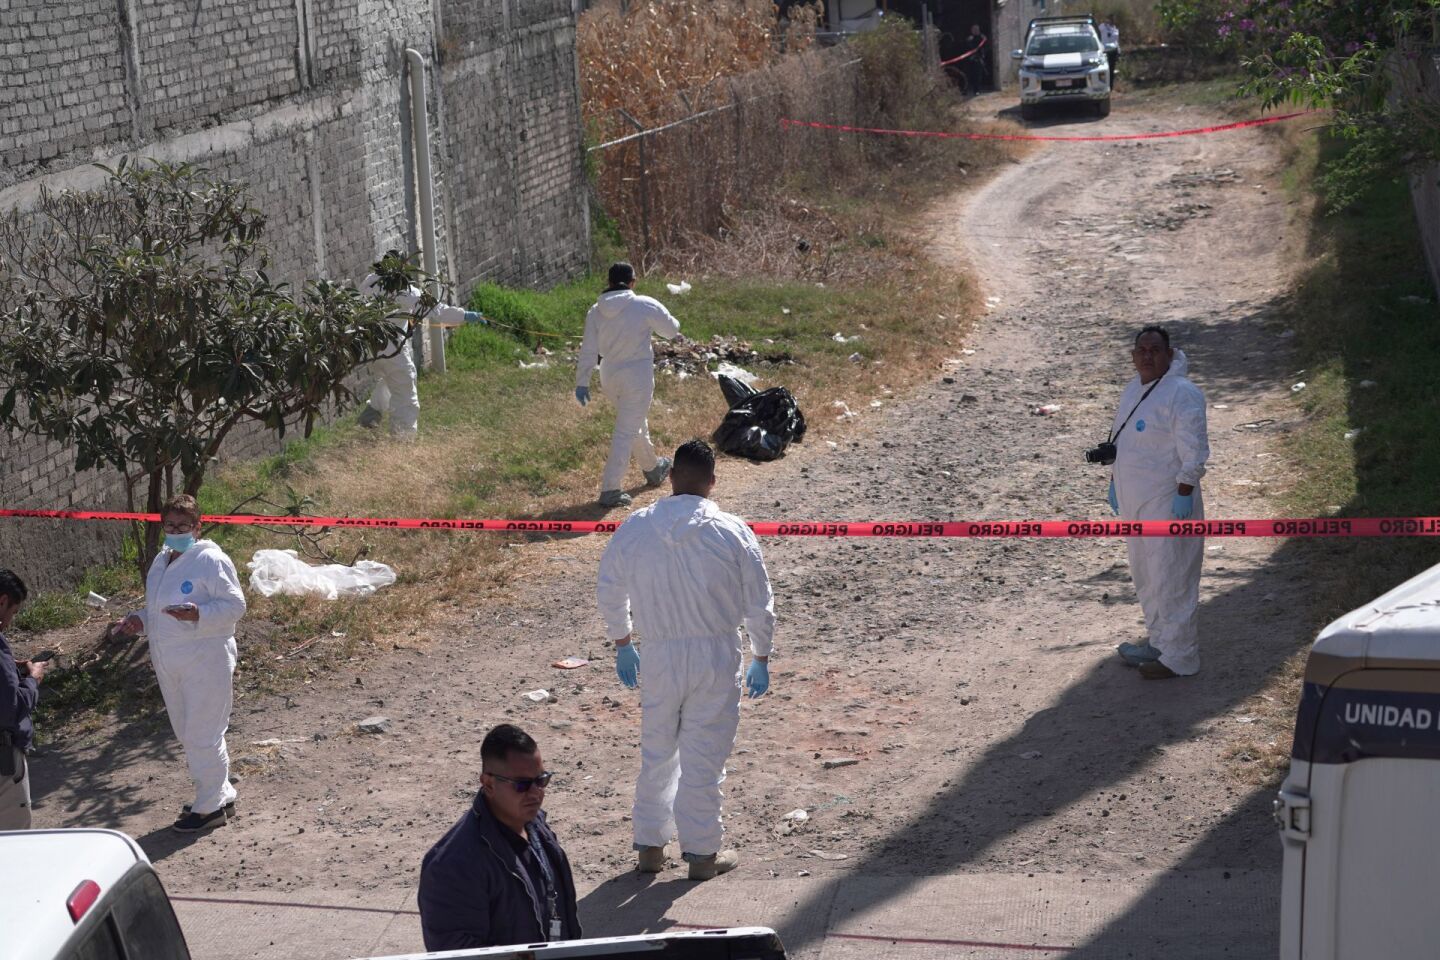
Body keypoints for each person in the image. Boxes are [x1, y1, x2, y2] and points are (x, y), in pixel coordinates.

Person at [597, 439, 776, 880]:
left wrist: (623, 642)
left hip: (657, 654)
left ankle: (650, 848)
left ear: (671, 476)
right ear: (713, 483)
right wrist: (761, 655)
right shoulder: (732, 531)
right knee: (704, 755)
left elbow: (609, 588)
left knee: (657, 750)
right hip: (715, 655)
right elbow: (759, 602)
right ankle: (701, 854)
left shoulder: (636, 527)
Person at [111, 495, 247, 832]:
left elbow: (235, 606)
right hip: (170, 660)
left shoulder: (210, 560)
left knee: (203, 733)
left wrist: (198, 614)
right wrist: (140, 620)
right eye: (170, 526)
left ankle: (209, 808)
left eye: (183, 526)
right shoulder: (161, 561)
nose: (175, 531)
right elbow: (160, 608)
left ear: (197, 527)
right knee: (189, 732)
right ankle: (220, 791)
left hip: (205, 658)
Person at [417, 724, 580, 951]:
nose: (536, 793)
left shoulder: (535, 827)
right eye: (522, 785)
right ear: (488, 784)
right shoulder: (453, 866)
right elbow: (457, 954)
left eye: (541, 780)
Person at [1106, 326, 1209, 680]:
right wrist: (1114, 483)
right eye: (1141, 350)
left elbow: (1193, 449)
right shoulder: (1135, 389)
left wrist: (1184, 491)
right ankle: (1159, 642)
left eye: (1155, 349)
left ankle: (1180, 657)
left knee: (1172, 577)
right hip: (1136, 500)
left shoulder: (1182, 393)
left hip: (1168, 501)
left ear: (1169, 353)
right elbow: (1127, 444)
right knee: (1146, 576)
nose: (1147, 356)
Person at [574, 262, 682, 508]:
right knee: (626, 430)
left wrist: (582, 382)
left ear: (610, 282)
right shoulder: (643, 304)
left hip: (609, 375)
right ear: (632, 282)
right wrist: (671, 322)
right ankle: (610, 489)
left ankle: (652, 468)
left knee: (633, 422)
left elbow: (588, 350)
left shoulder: (595, 310)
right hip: (637, 375)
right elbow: (671, 330)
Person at [356, 251, 482, 439]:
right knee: (406, 392)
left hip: (370, 349)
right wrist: (464, 315)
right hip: (392, 349)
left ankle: (370, 415)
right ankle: (403, 439)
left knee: (392, 380)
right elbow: (436, 310)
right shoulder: (404, 290)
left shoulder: (369, 281)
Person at [0, 570, 45, 830]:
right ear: (3, 601)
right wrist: (33, 679)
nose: (9, 621)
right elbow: (12, 707)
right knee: (13, 847)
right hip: (4, 765)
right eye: (13, 612)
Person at [961, 24, 988, 96]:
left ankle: (977, 90)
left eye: (976, 29)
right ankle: (965, 90)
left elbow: (984, 47)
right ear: (971, 30)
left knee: (977, 76)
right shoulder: (969, 38)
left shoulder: (982, 38)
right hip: (969, 59)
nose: (975, 31)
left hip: (978, 59)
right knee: (967, 76)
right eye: (973, 29)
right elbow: (966, 48)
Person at [1098, 16, 1120, 86]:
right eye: (1109, 19)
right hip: (1105, 51)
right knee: (1104, 69)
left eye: (1112, 20)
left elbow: (1116, 41)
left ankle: (1110, 85)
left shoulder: (1115, 29)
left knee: (1111, 69)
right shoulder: (1102, 27)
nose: (1111, 21)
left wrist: (1119, 51)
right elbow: (1098, 31)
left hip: (1113, 51)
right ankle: (1104, 84)